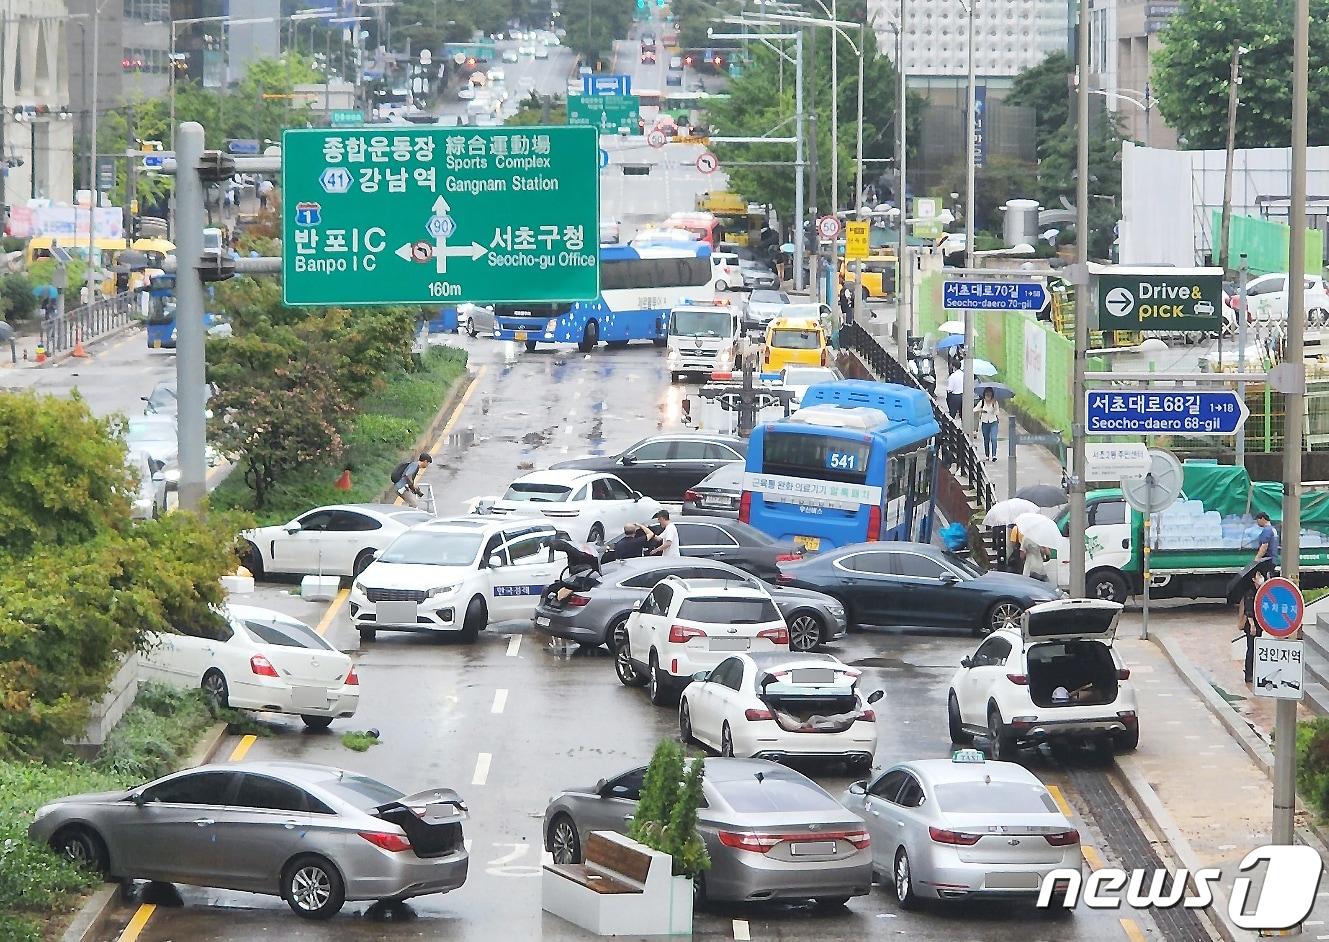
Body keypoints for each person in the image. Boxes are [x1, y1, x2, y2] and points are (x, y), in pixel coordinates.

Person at [1240, 567, 1269, 684]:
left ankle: (1254, 671)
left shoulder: (1260, 591)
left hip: (1258, 624)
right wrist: (1252, 625)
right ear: (1253, 579)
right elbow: (1249, 610)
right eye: (1258, 576)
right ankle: (1248, 674)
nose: (1260, 578)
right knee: (1251, 649)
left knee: (1256, 649)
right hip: (1251, 625)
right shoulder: (1250, 592)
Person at [974, 387, 1001, 462]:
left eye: (989, 395)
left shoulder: (995, 402)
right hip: (985, 422)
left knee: (994, 438)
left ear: (992, 395)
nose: (988, 396)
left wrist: (994, 408)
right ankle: (987, 455)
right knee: (986, 439)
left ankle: (994, 455)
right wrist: (981, 410)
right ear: (984, 395)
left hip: (993, 422)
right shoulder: (982, 402)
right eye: (986, 395)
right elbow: (974, 409)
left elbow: (997, 412)